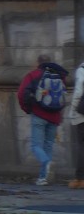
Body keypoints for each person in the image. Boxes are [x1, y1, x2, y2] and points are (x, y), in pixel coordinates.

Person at [17, 54, 70, 186]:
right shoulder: (59, 76)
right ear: (50, 62)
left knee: (36, 145)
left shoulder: (33, 75)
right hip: (55, 116)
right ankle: (43, 178)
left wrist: (27, 108)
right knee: (48, 145)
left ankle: (46, 163)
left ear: (38, 63)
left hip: (39, 114)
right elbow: (62, 96)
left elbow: (21, 93)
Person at [69, 59, 84, 189]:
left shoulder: (82, 70)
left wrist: (72, 110)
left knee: (81, 147)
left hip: (82, 115)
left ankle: (80, 179)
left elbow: (78, 92)